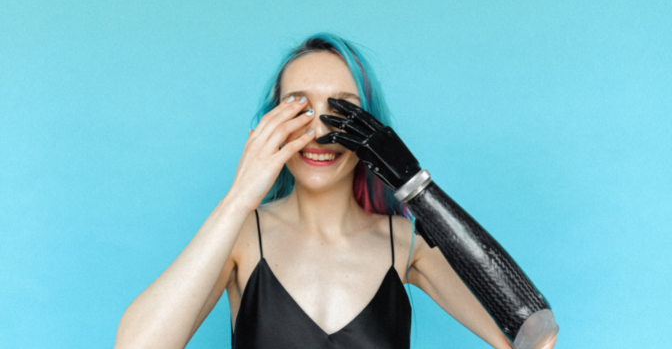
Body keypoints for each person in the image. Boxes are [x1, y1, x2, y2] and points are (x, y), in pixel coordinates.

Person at [114, 33, 558, 349]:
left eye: (343, 111)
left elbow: (537, 334)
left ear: (372, 130)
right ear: (272, 123)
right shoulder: (242, 239)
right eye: (300, 108)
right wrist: (238, 197)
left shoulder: (404, 246)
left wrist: (414, 185)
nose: (321, 133)